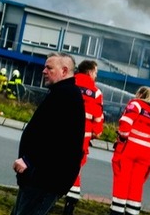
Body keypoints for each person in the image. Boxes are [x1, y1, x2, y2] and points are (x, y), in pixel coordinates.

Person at [11, 52, 84, 215]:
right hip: (41, 177)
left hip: (45, 179)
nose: (44, 71)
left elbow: (57, 140)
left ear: (64, 71)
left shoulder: (67, 96)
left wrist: (28, 160)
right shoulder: (61, 93)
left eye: (49, 68)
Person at [109, 86, 150, 215]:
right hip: (146, 152)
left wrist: (122, 136)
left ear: (139, 94)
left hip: (130, 148)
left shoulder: (136, 104)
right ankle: (132, 211)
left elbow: (126, 122)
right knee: (136, 184)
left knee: (122, 179)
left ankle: (117, 211)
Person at [63, 60, 104, 215]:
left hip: (60, 134)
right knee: (75, 171)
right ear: (89, 71)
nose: (96, 76)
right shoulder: (96, 92)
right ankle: (70, 205)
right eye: (95, 73)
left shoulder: (67, 82)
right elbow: (98, 121)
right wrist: (94, 133)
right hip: (81, 140)